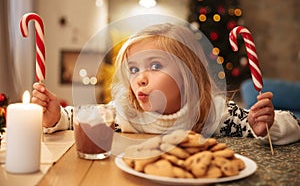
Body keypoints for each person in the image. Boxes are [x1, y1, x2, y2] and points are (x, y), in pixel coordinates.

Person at [32, 23, 300, 145]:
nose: (141, 77)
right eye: (134, 69)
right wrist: (56, 116)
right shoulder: (127, 113)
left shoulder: (218, 114)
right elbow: (78, 118)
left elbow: (292, 125)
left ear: (189, 75)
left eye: (156, 66)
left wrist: (267, 126)